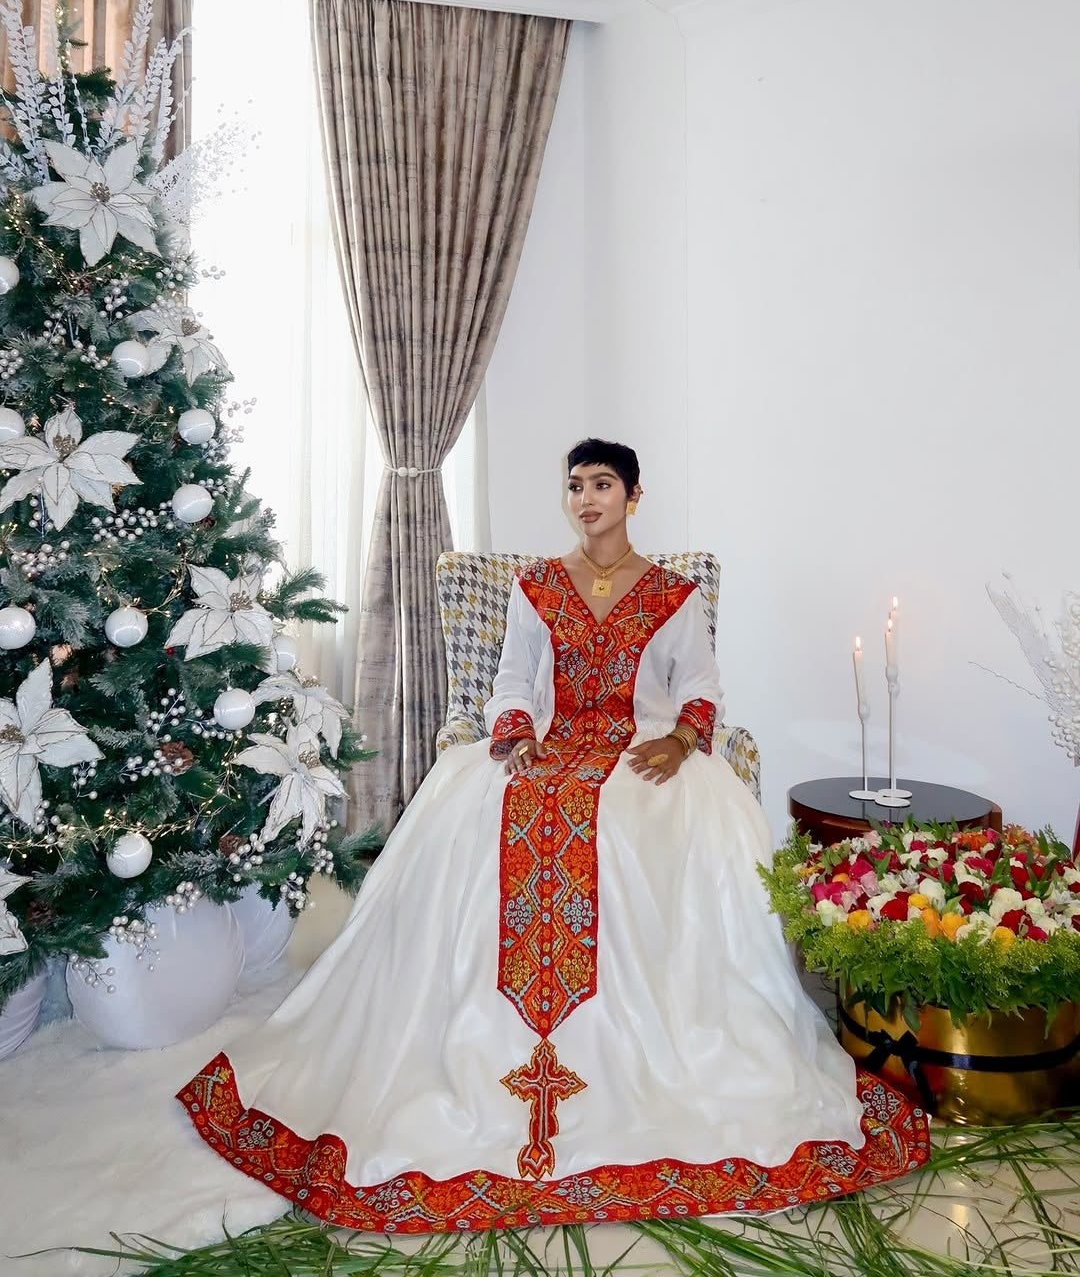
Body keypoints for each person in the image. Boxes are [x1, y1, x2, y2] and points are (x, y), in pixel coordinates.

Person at [178, 439, 928, 1232]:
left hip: (639, 749)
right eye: (575, 486)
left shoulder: (673, 594)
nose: (586, 499)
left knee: (642, 822)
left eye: (602, 484)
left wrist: (677, 743)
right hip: (547, 743)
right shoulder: (537, 587)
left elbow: (699, 686)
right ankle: (470, 1042)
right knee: (487, 813)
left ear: (634, 495)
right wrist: (512, 734)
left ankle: (646, 1046)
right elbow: (511, 681)